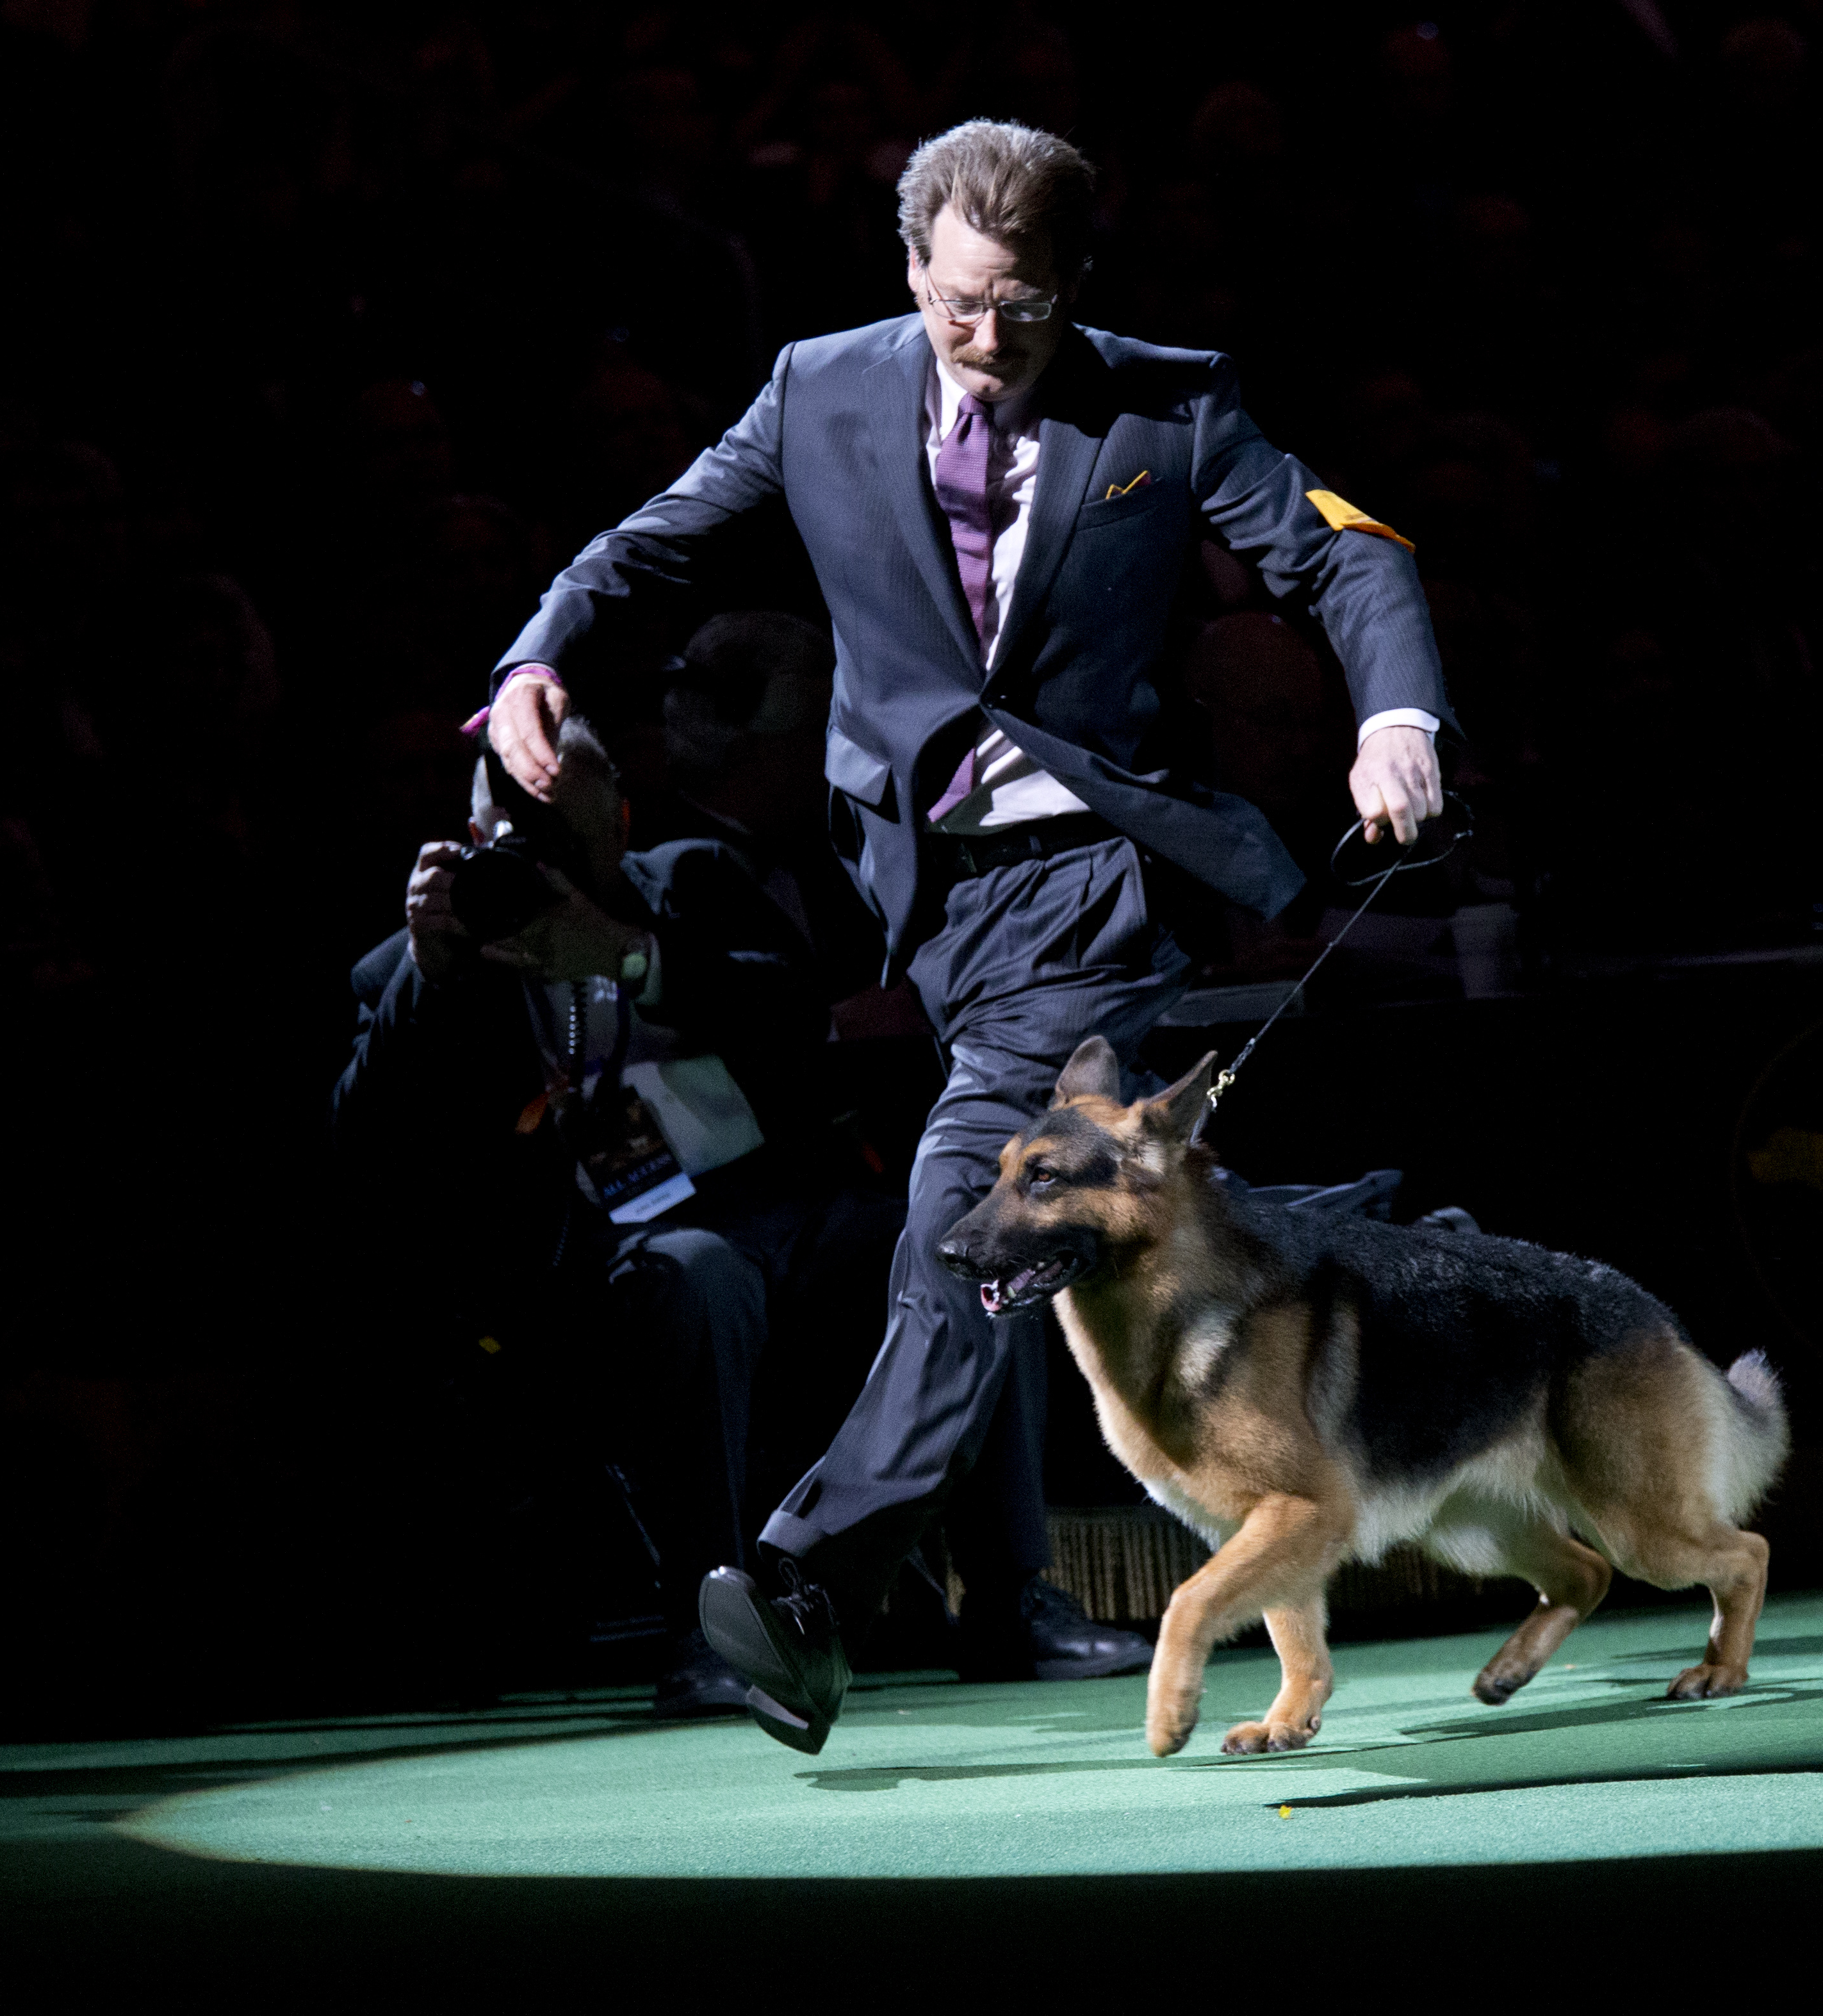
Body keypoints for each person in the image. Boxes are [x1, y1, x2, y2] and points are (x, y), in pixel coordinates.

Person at [478, 119, 1448, 1750]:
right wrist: (533, 655)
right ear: (913, 269)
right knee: (1028, 1234)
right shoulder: (821, 387)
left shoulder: (1168, 399)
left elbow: (1340, 555)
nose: (988, 344)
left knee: (974, 1203)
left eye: (1025, 309)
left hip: (1090, 876)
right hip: (925, 886)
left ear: (1075, 284)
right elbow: (652, 540)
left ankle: (800, 1584)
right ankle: (1368, 1239)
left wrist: (1396, 713)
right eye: (959, 306)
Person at [334, 720, 905, 1715]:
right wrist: (434, 970)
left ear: (622, 821)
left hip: (777, 1223)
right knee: (697, 1274)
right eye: (511, 836)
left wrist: (631, 955)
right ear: (471, 836)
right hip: (584, 1286)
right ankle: (708, 1636)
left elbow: (801, 1022)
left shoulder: (694, 881)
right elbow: (363, 1147)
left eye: (565, 834)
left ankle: (1014, 1599)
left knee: (933, 1241)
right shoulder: (416, 970)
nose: (539, 863)